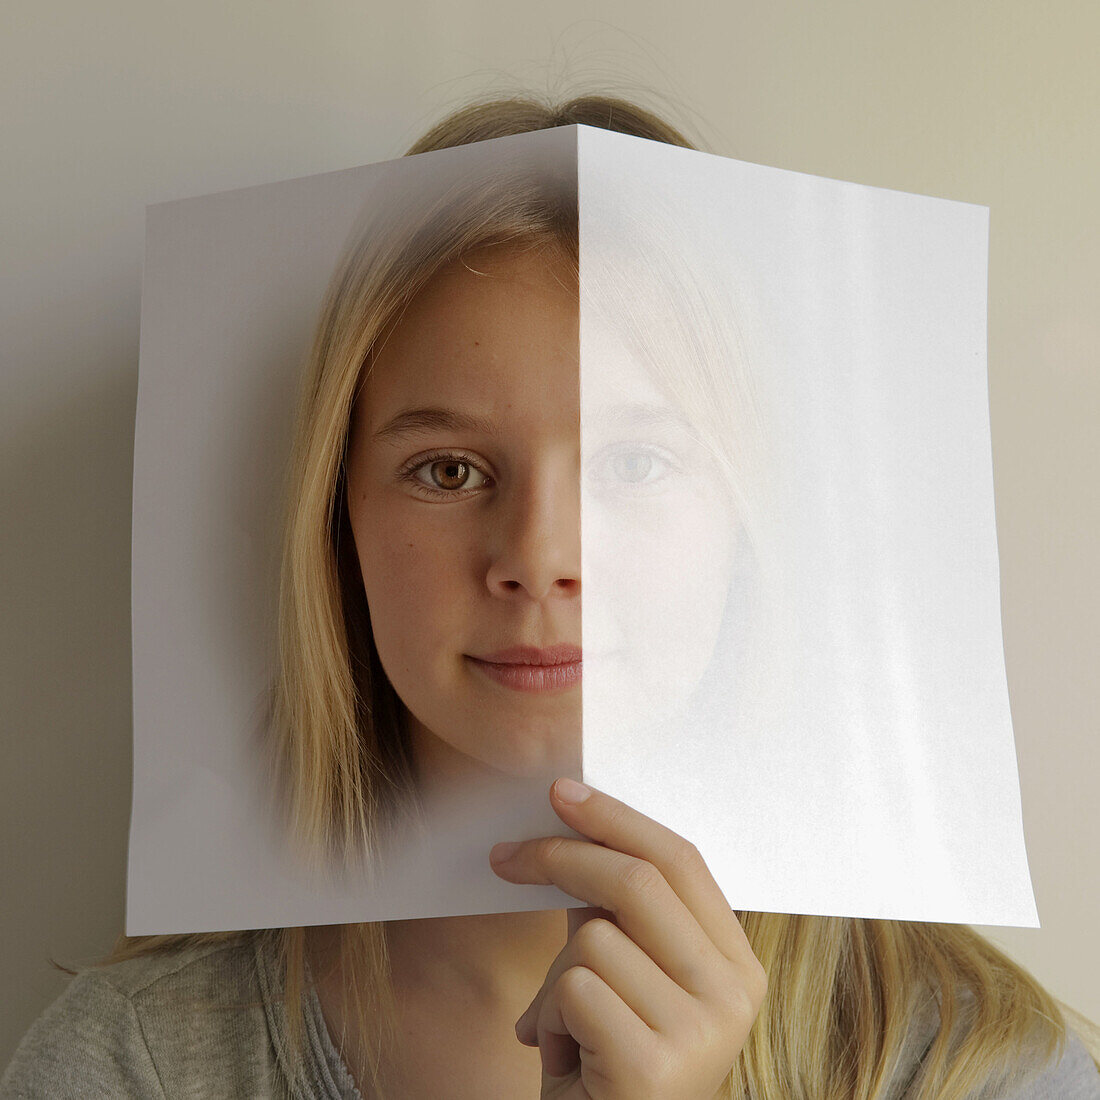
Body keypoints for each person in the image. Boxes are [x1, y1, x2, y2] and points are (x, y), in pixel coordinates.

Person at [4, 92, 1099, 1100]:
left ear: (753, 528)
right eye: (447, 469)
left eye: (636, 462)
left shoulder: (974, 1064)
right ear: (336, 527)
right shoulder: (129, 1062)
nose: (539, 558)